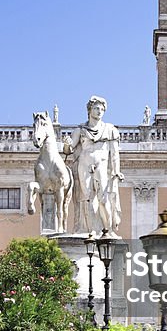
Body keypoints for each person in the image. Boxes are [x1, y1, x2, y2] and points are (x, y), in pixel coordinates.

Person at [64, 96, 123, 235]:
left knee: (104, 199)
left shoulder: (110, 129)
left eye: (102, 109)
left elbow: (114, 154)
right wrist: (66, 144)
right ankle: (89, 231)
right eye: (96, 108)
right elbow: (69, 150)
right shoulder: (80, 130)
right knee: (87, 198)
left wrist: (116, 171)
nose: (99, 111)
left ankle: (107, 231)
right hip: (84, 165)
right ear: (90, 110)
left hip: (102, 166)